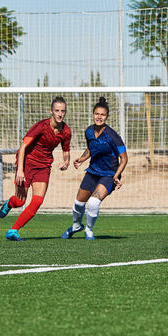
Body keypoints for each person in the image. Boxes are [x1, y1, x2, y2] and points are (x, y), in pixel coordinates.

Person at [0, 96, 71, 241]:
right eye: (57, 110)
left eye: (62, 111)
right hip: (27, 163)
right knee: (20, 201)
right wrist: (20, 170)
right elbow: (24, 145)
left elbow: (66, 150)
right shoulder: (41, 126)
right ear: (51, 111)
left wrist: (66, 161)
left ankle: (13, 231)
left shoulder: (66, 131)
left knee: (37, 201)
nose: (59, 114)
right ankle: (10, 203)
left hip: (43, 166)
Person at [61, 96, 127, 241]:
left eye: (102, 115)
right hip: (92, 172)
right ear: (93, 114)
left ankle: (89, 231)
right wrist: (82, 159)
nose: (99, 117)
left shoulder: (113, 136)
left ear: (107, 117)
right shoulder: (89, 131)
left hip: (109, 174)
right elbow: (91, 149)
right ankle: (76, 225)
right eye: (97, 114)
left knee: (93, 202)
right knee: (79, 203)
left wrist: (116, 176)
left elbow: (124, 158)